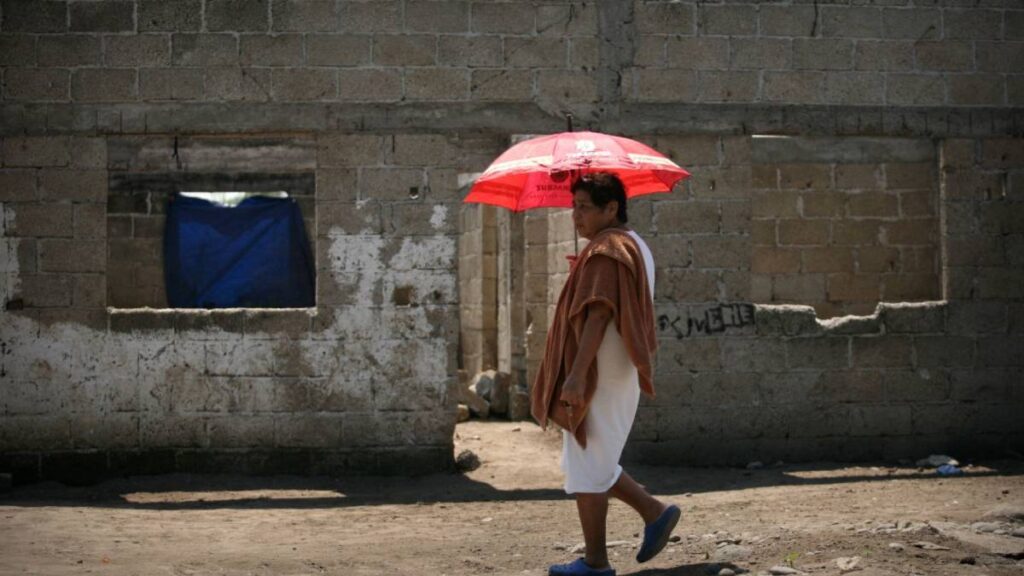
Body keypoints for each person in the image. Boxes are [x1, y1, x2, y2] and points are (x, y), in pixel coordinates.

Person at [531, 172, 680, 576]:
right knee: (589, 458)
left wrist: (577, 376)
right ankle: (653, 512)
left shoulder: (608, 248)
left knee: (587, 461)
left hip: (599, 370)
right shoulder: (632, 245)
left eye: (583, 206)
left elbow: (598, 315)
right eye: (573, 205)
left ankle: (598, 560)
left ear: (611, 208)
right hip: (615, 369)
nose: (574, 214)